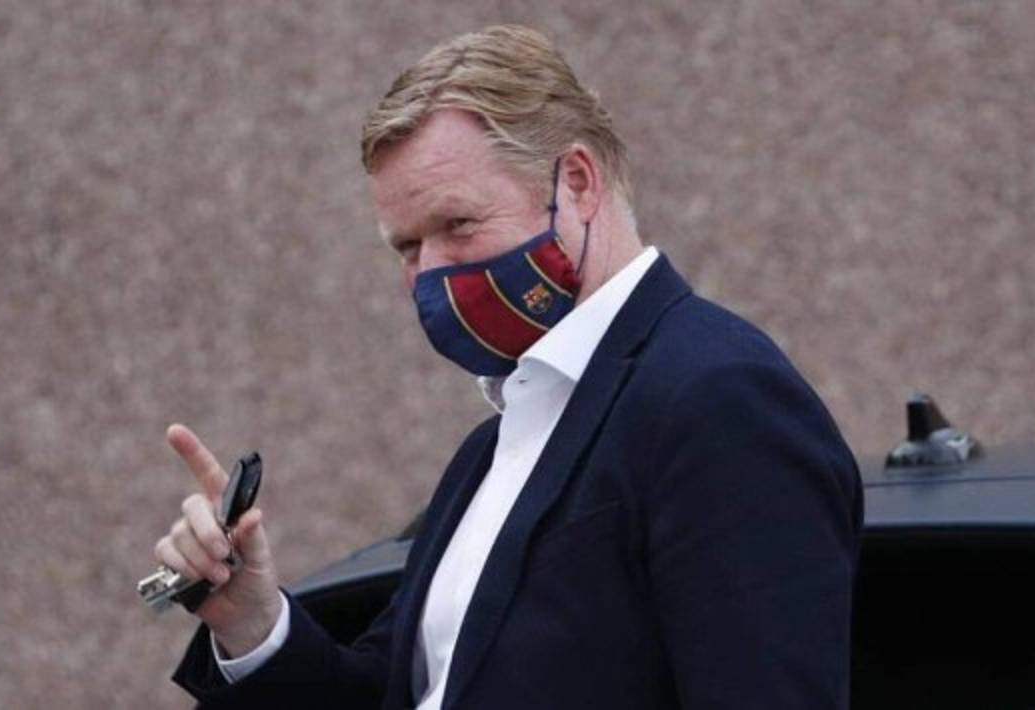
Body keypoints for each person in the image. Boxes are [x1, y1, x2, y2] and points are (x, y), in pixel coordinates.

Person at [155, 24, 863, 709]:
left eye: (457, 224)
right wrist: (252, 623)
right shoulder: (493, 448)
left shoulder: (716, 396)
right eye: (407, 248)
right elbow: (401, 692)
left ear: (577, 183)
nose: (432, 272)